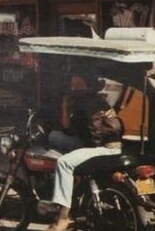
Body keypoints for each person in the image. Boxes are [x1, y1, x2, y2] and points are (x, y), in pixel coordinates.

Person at [44, 71, 125, 231]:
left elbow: (68, 128)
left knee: (64, 162)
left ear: (87, 85)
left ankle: (63, 216)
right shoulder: (99, 100)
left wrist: (66, 107)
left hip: (102, 148)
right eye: (73, 84)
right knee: (53, 136)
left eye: (78, 84)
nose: (74, 88)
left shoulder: (85, 102)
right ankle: (68, 184)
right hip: (99, 143)